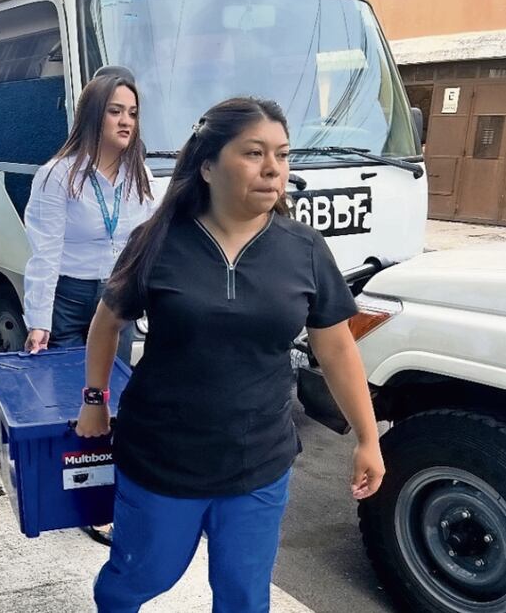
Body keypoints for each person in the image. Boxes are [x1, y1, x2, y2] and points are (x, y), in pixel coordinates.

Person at [76, 97, 385, 612]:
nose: (273, 170)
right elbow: (107, 324)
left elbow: (336, 349)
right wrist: (94, 400)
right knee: (138, 578)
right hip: (161, 457)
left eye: (282, 156)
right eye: (253, 153)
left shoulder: (303, 249)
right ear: (207, 166)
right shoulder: (157, 241)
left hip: (257, 462)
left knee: (243, 596)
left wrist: (369, 438)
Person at [22, 71, 156, 364]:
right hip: (68, 299)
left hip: (118, 296)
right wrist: (39, 321)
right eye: (115, 111)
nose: (126, 121)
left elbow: (151, 242)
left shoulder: (139, 174)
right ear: (93, 115)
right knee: (67, 391)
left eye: (132, 114)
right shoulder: (57, 175)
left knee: (111, 389)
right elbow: (45, 253)